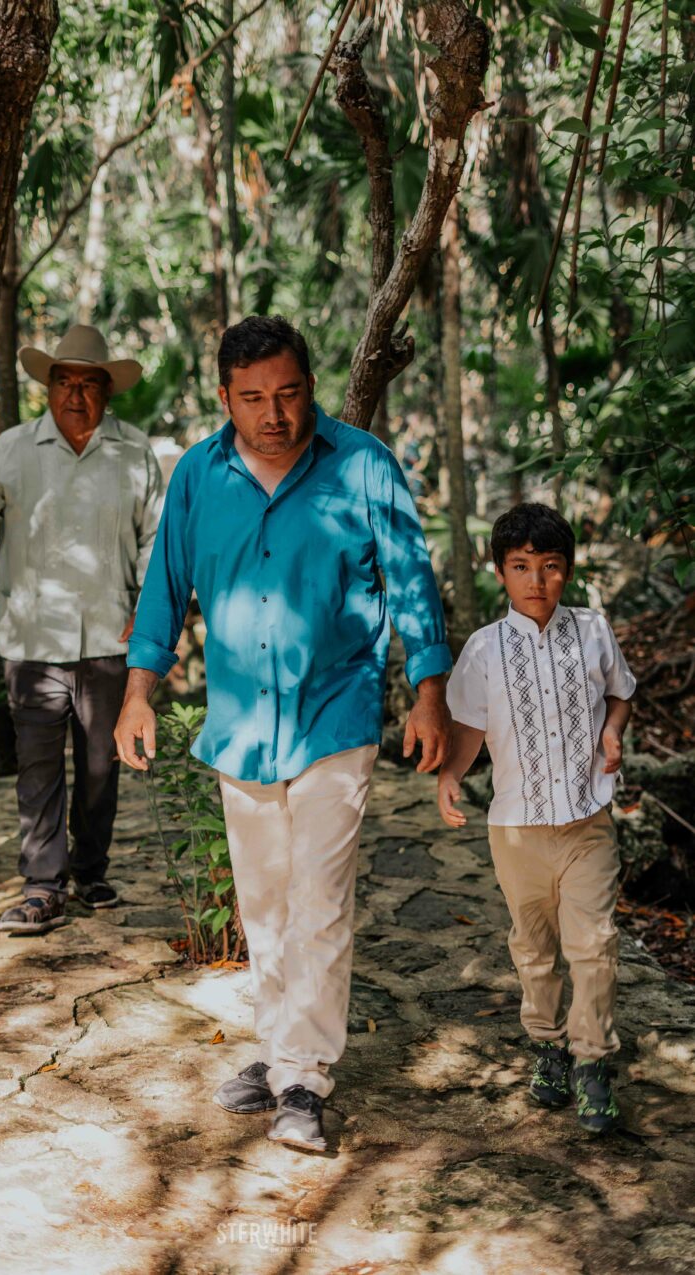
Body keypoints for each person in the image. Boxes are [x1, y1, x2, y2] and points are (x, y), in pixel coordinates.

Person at [115, 315, 451, 1151]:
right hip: (238, 727)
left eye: (290, 393)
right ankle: (276, 1054)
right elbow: (165, 587)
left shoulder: (363, 464)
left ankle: (304, 1078)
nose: (275, 414)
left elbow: (412, 579)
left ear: (311, 384)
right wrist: (138, 692)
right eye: (255, 398)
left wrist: (428, 690)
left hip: (335, 714)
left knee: (319, 900)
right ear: (224, 397)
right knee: (263, 903)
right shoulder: (198, 474)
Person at [0, 324, 164, 935]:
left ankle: (91, 869)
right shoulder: (15, 449)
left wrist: (147, 606)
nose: (77, 394)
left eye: (90, 384)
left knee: (102, 766)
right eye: (65, 382)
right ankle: (44, 884)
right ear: (48, 387)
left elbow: (156, 537)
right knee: (38, 767)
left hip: (109, 639)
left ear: (107, 392)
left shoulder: (134, 452)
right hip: (30, 640)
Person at [437, 502, 636, 1134]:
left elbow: (621, 692)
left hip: (587, 820)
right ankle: (548, 1046)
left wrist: (612, 735)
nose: (536, 581)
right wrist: (449, 778)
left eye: (550, 567)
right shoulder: (484, 650)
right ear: (500, 571)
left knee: (595, 945)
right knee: (534, 948)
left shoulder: (594, 631)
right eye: (521, 567)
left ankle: (592, 1061)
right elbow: (468, 727)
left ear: (567, 570)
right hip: (515, 828)